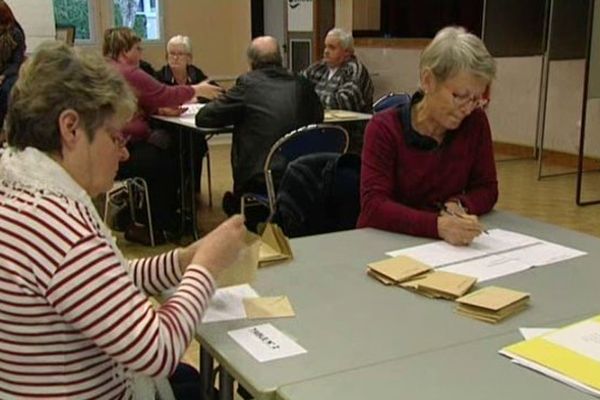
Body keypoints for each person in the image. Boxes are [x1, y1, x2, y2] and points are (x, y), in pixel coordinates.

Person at [0, 41, 246, 399]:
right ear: (71, 128)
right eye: (115, 136)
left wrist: (182, 260)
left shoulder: (21, 194)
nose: (124, 150)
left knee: (190, 382)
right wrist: (206, 267)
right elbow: (157, 351)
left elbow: (99, 282)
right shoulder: (60, 228)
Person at [357, 26, 498, 246]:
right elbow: (374, 207)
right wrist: (438, 226)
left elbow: (487, 188)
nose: (468, 108)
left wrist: (458, 204)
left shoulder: (475, 123)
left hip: (442, 250)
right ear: (428, 80)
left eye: (476, 99)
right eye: (460, 96)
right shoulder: (384, 129)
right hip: (384, 244)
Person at [103, 27, 223, 244]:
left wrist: (157, 110)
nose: (141, 54)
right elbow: (163, 94)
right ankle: (162, 224)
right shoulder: (129, 73)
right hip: (121, 149)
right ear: (123, 51)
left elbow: (140, 103)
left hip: (114, 145)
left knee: (171, 149)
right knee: (166, 162)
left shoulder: (107, 69)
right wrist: (196, 90)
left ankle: (158, 217)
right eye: (137, 49)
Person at [196, 35, 323, 217]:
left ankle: (241, 204)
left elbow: (205, 117)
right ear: (280, 59)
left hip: (263, 174)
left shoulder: (248, 84)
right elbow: (319, 116)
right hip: (305, 171)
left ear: (251, 63)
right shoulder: (302, 84)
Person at [302, 28, 373, 113]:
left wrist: (308, 99)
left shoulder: (354, 70)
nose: (326, 51)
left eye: (332, 48)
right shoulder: (319, 68)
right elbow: (298, 87)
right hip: (319, 121)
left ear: (347, 52)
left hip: (348, 124)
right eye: (326, 46)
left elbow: (343, 102)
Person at [156, 34, 216, 102]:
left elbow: (218, 92)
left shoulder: (194, 73)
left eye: (180, 54)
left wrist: (197, 99)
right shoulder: (160, 76)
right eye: (172, 53)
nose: (175, 58)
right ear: (167, 57)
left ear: (189, 58)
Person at [0, 0, 25, 130]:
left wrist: (3, 76)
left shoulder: (15, 34)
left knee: (6, 89)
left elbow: (17, 62)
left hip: (10, 73)